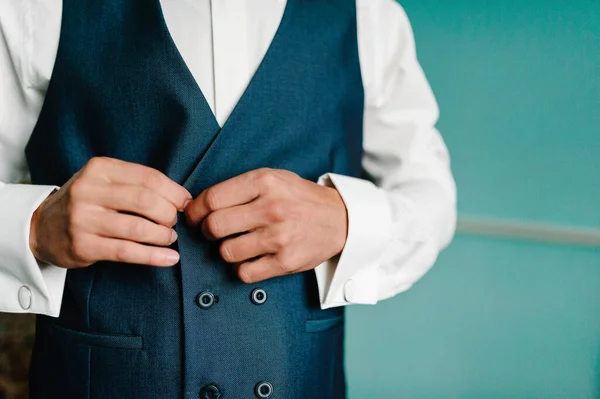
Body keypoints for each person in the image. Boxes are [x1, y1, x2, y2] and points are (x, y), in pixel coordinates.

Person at [0, 0, 457, 397]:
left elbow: (430, 195)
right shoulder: (36, 10)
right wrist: (35, 227)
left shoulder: (366, 17)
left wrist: (347, 219)